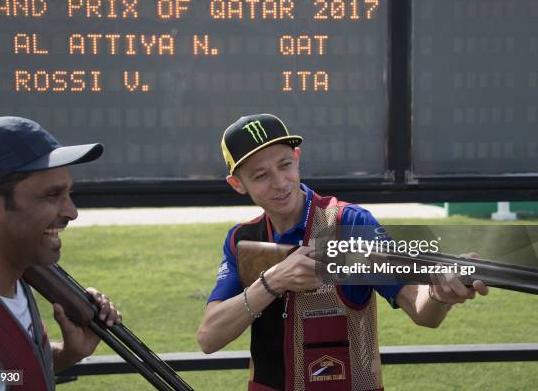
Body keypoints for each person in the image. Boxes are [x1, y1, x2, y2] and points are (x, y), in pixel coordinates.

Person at [197, 113, 489, 391]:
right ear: (237, 184)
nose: (280, 182)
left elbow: (421, 309)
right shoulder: (241, 239)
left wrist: (439, 295)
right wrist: (272, 282)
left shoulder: (350, 222)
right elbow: (209, 338)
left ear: (297, 159)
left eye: (285, 165)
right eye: (260, 175)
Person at [0, 116, 122, 391]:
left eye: (68, 193)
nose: (72, 212)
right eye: (52, 195)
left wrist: (68, 353)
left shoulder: (14, 281)